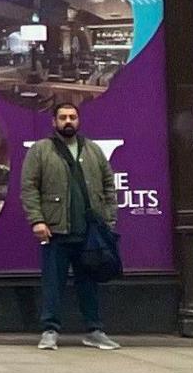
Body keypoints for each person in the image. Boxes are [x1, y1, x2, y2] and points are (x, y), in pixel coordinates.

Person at [21, 101, 122, 351]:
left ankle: (95, 331)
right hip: (56, 230)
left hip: (89, 232)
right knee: (53, 283)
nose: (68, 121)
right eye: (63, 117)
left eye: (73, 117)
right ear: (53, 122)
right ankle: (50, 331)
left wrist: (108, 219)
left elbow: (109, 186)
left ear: (79, 121)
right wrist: (37, 220)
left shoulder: (93, 150)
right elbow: (29, 188)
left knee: (88, 283)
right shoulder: (41, 151)